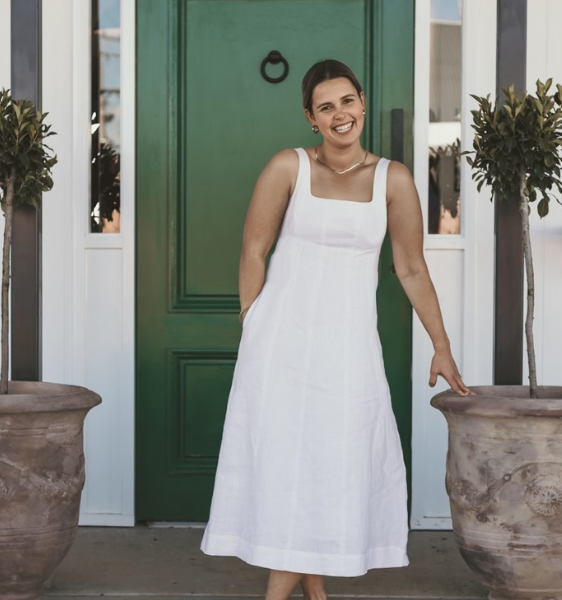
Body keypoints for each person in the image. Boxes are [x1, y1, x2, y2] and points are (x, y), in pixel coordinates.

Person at [200, 59, 469, 600]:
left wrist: (441, 346)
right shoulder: (288, 167)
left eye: (347, 101)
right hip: (282, 342)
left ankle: (308, 589)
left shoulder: (393, 179)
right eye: (326, 107)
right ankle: (295, 592)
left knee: (333, 457)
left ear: (362, 103)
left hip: (348, 347)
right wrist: (253, 321)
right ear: (311, 118)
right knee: (285, 459)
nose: (340, 114)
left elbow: (411, 267)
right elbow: (254, 250)